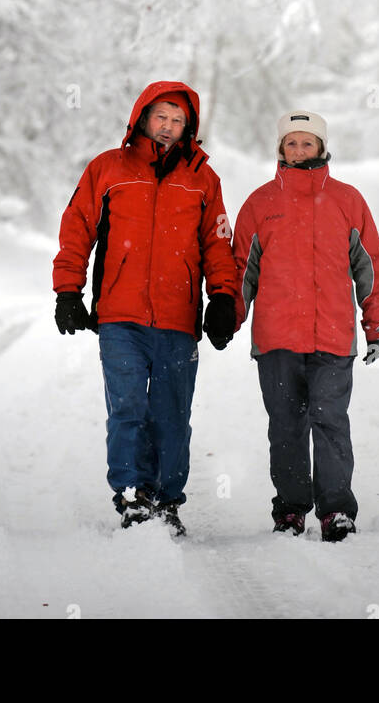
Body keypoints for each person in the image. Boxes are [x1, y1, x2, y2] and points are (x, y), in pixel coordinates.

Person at [53, 80, 239, 536]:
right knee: (128, 407)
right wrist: (67, 290)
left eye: (178, 121)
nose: (168, 128)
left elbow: (218, 244)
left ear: (188, 128)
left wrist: (222, 297)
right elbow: (78, 228)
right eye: (161, 117)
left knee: (172, 415)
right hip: (120, 316)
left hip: (178, 318)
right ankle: (133, 494)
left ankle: (166, 499)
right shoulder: (108, 168)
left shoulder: (202, 179)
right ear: (141, 116)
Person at [232, 110, 379, 541]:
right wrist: (230, 316)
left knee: (331, 421)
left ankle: (336, 511)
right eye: (291, 143)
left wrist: (375, 323)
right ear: (280, 149)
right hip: (277, 337)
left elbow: (369, 267)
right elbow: (239, 271)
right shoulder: (260, 203)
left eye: (307, 143)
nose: (299, 150)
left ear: (322, 148)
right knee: (285, 425)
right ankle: (290, 510)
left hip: (333, 337)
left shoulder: (348, 200)